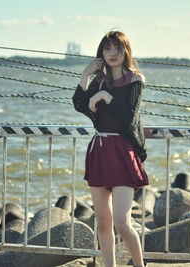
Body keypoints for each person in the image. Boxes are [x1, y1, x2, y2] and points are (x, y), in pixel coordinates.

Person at [72, 31, 148, 267]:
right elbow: (80, 105)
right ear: (101, 53)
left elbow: (128, 117)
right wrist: (86, 75)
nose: (112, 53)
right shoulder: (100, 80)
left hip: (124, 152)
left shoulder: (136, 80)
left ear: (126, 51)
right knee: (103, 221)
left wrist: (105, 96)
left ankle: (139, 265)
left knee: (122, 223)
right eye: (107, 48)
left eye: (117, 48)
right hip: (100, 151)